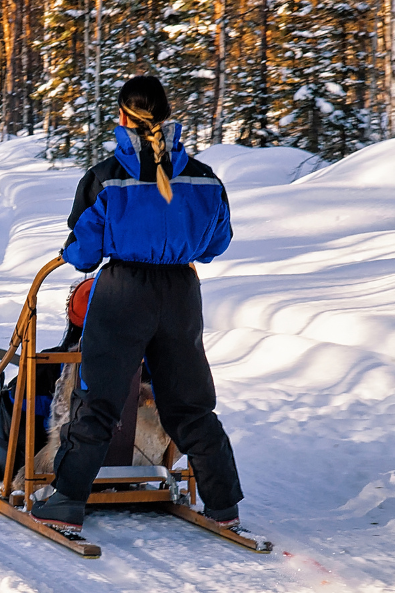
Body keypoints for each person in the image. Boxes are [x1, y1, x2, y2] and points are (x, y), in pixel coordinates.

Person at [30, 75, 243, 533]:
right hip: (182, 294)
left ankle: (67, 501)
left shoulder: (107, 176)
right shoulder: (204, 179)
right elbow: (215, 244)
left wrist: (74, 253)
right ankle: (224, 506)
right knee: (190, 405)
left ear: (123, 117)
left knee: (99, 399)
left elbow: (84, 252)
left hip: (123, 291)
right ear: (168, 117)